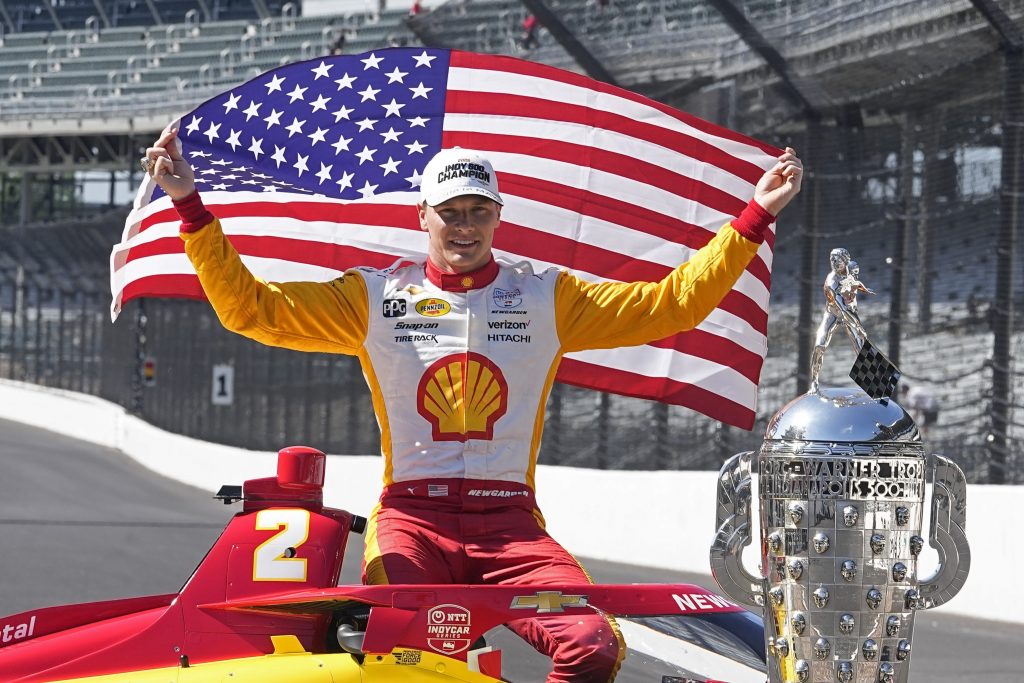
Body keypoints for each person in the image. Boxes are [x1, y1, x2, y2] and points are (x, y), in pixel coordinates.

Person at [143, 129, 802, 682]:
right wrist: (190, 209)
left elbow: (672, 304)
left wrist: (752, 220)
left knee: (592, 644)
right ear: (422, 217)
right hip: (411, 520)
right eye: (450, 211)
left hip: (511, 529)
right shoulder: (373, 295)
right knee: (399, 652)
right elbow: (249, 308)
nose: (463, 225)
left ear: (498, 215)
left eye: (477, 211)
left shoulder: (547, 296)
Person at [809, 247, 870, 392]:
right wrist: (860, 328)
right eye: (832, 259)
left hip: (849, 311)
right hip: (834, 313)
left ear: (846, 261)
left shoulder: (852, 271)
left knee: (862, 347)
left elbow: (851, 298)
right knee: (819, 345)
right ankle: (814, 382)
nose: (834, 262)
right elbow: (842, 308)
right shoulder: (832, 281)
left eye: (838, 259)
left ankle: (872, 385)